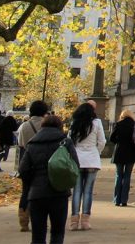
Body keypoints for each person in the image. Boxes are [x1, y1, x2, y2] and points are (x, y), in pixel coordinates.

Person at [19, 114, 78, 244]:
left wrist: (32, 183)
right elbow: (75, 165)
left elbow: (23, 169)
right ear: (60, 126)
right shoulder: (65, 142)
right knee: (57, 233)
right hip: (59, 192)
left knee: (38, 235)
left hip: (36, 194)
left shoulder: (32, 143)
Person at [68, 102, 106, 230]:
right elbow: (102, 141)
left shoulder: (75, 124)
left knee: (77, 191)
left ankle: (74, 220)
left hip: (77, 159)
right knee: (88, 191)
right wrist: (97, 152)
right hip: (92, 159)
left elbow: (70, 141)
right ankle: (85, 220)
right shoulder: (97, 123)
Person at [17, 100, 49, 233]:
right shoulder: (47, 125)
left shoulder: (24, 126)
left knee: (25, 192)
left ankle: (23, 221)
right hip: (44, 163)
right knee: (44, 193)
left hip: (27, 161)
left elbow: (20, 143)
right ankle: (41, 220)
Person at [110, 110, 135, 206]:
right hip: (131, 152)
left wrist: (118, 142)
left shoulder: (118, 124)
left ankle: (116, 199)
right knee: (127, 176)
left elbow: (112, 138)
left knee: (119, 175)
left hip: (119, 152)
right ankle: (124, 200)